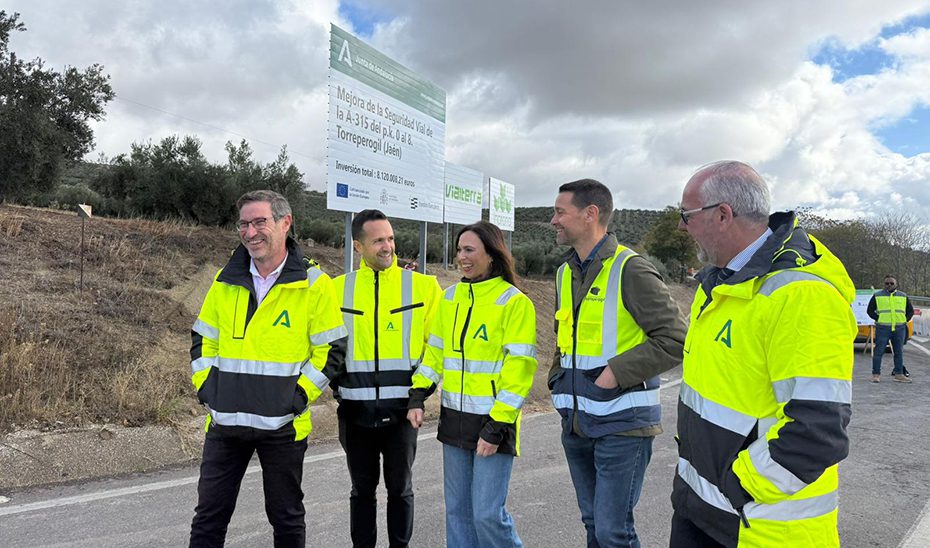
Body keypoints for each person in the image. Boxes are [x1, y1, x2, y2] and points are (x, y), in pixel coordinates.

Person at [672, 161, 857, 547]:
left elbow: (815, 433)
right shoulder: (719, 285)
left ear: (722, 215)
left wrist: (738, 488)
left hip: (761, 529)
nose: (681, 227)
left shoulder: (801, 295)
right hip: (702, 513)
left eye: (685, 216)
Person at [188, 190, 347, 547]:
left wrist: (295, 399)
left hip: (282, 427)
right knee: (208, 520)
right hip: (225, 423)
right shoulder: (224, 279)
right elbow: (202, 340)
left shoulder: (313, 284)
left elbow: (331, 350)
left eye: (260, 222)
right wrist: (208, 390)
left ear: (285, 223)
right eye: (244, 224)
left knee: (286, 519)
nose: (250, 232)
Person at [548, 179, 686, 547]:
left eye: (560, 212)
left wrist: (614, 374)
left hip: (622, 426)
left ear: (590, 214)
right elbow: (564, 341)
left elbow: (676, 339)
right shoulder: (565, 272)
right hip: (576, 423)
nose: (553, 220)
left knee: (612, 531)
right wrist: (557, 380)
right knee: (594, 524)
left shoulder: (631, 269)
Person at [406, 220, 537, 548]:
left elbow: (519, 371)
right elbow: (435, 354)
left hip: (493, 423)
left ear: (492, 254)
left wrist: (497, 425)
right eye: (459, 250)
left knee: (487, 515)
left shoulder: (513, 302)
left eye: (469, 250)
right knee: (458, 513)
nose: (461, 257)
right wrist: (418, 393)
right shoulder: (449, 298)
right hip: (454, 419)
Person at [332, 209, 442, 548]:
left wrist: (419, 397)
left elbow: (437, 349)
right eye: (378, 240)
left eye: (390, 238)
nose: (388, 246)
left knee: (401, 490)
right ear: (358, 246)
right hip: (354, 413)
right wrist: (337, 388)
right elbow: (323, 348)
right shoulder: (336, 290)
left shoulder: (423, 287)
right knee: (361, 492)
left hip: (403, 413)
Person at [867, 275, 914, 383]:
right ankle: (876, 374)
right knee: (879, 351)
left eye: (891, 283)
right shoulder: (877, 296)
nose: (889, 285)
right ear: (884, 284)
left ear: (896, 284)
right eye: (887, 283)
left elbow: (910, 311)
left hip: (899, 328)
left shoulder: (903, 296)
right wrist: (879, 318)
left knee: (899, 352)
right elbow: (870, 311)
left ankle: (899, 374)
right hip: (883, 328)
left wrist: (904, 320)